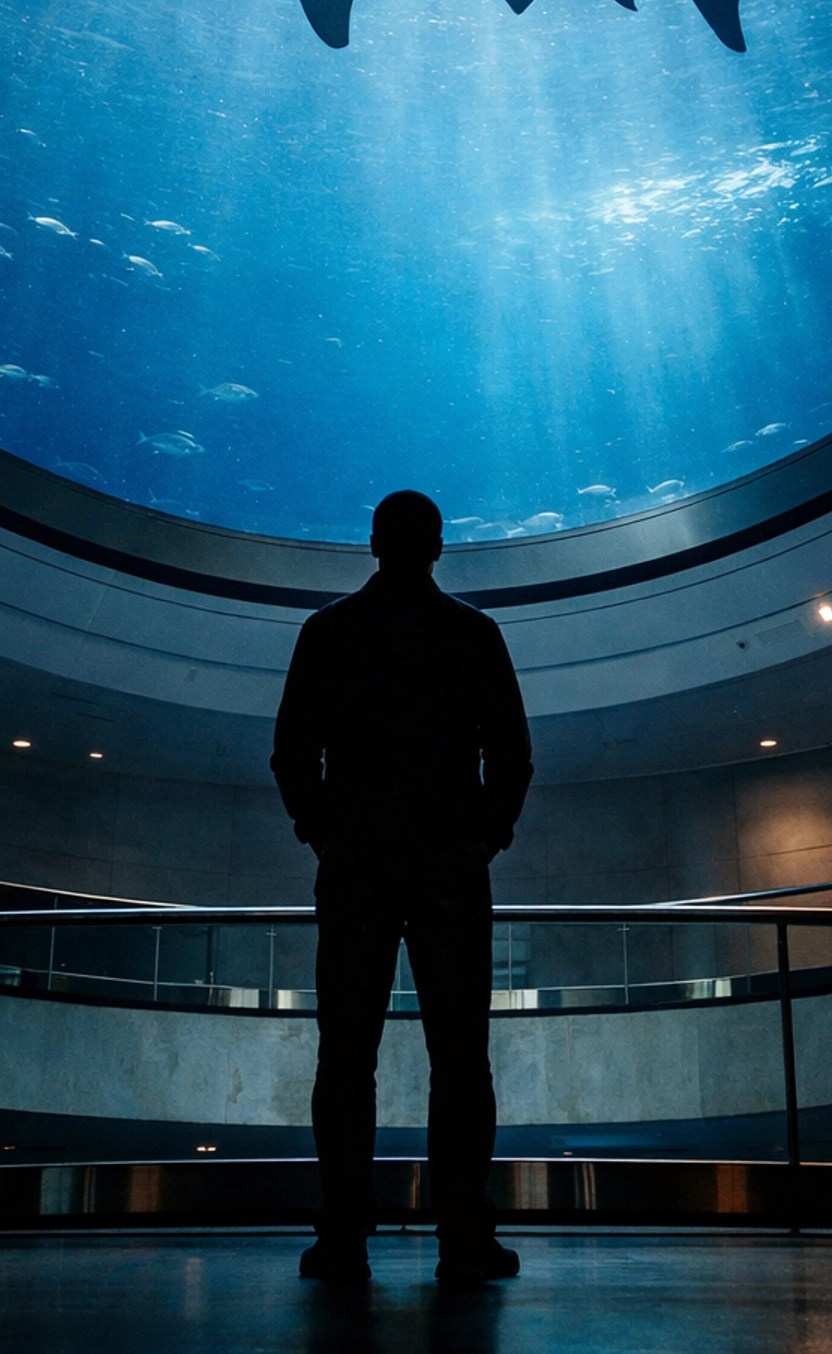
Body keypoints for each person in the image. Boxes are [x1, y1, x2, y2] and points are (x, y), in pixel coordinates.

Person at [272, 488, 533, 1286]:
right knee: (461, 1057)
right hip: (452, 868)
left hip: (355, 869)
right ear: (439, 546)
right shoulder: (474, 635)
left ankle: (343, 1234)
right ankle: (463, 1234)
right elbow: (512, 755)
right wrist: (484, 838)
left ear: (374, 543)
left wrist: (326, 834)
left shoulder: (327, 634)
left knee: (347, 1054)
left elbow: (292, 755)